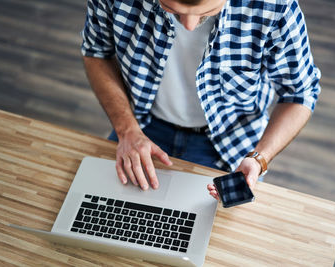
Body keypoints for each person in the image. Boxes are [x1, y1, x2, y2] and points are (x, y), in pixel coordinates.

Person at [81, 0, 321, 199]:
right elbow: (96, 52)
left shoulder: (275, 6)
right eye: (171, 8)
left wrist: (260, 158)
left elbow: (299, 94)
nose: (189, 25)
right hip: (140, 126)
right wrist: (126, 130)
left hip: (233, 145)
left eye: (206, 12)